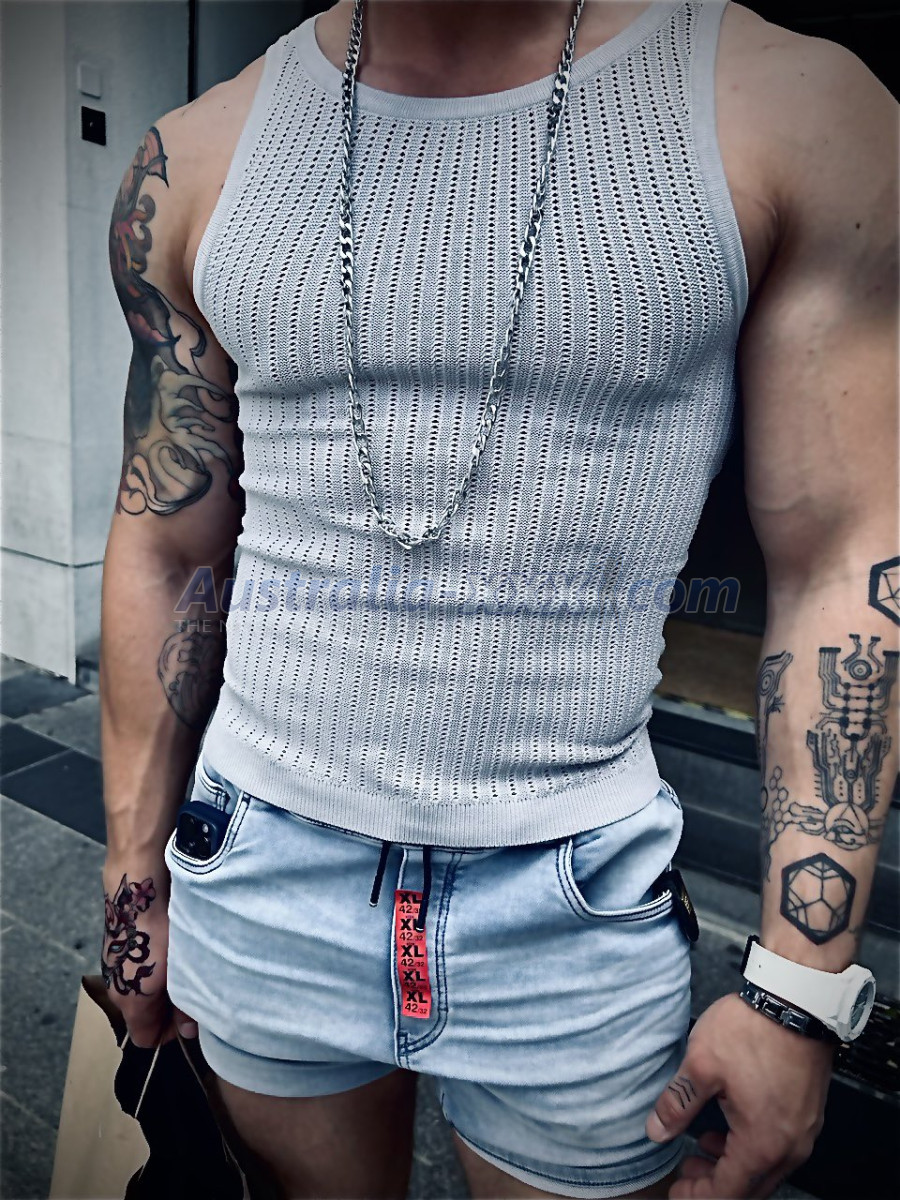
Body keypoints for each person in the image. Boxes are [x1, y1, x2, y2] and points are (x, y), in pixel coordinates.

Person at [100, 1, 899, 1197]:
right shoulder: (195, 157)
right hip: (261, 866)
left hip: (576, 902)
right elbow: (167, 545)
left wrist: (801, 984)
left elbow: (846, 557)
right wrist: (133, 885)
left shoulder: (792, 113)